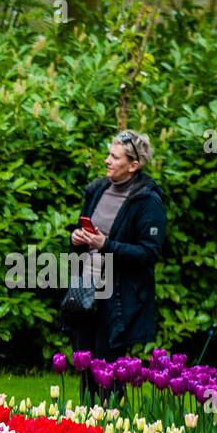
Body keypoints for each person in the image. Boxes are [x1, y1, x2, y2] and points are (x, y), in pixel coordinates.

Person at [66, 129, 166, 404]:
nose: (107, 160)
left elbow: (149, 252)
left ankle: (112, 429)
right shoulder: (98, 190)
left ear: (134, 165)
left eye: (114, 156)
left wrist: (106, 245)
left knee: (109, 368)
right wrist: (77, 237)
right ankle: (84, 425)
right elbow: (84, 229)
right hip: (87, 290)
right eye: (108, 154)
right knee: (84, 363)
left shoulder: (148, 201)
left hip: (119, 298)